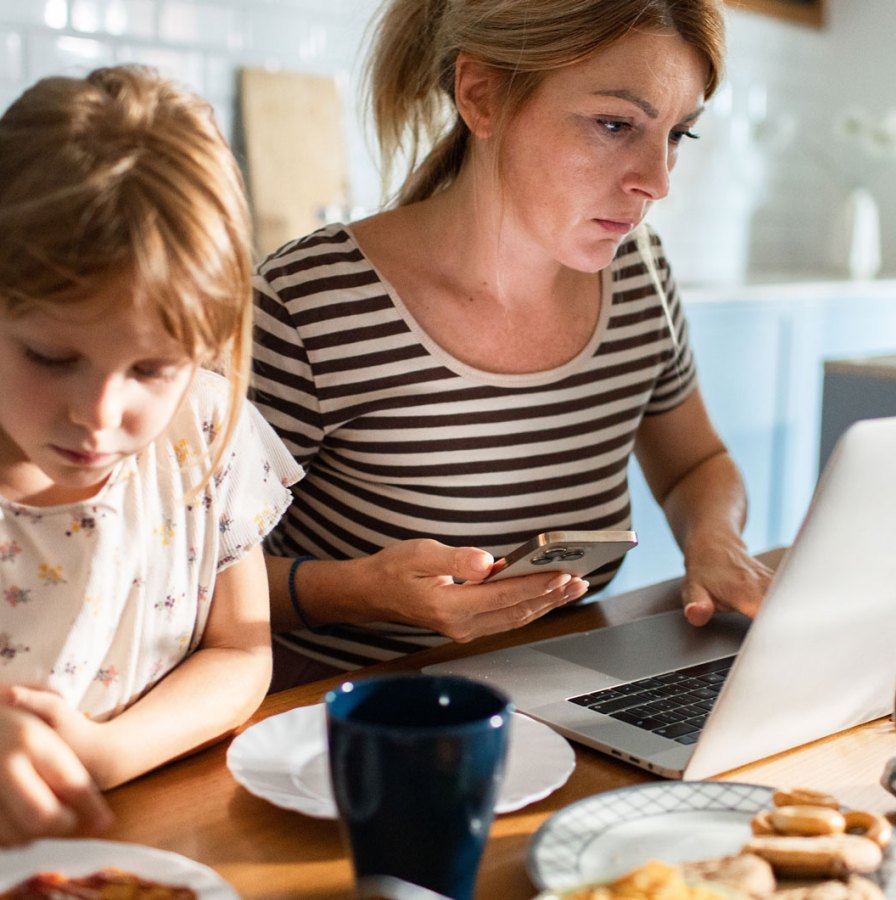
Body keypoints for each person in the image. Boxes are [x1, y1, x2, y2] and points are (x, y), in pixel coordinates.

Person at [251, 0, 774, 689]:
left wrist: (713, 540)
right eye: (614, 124)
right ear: (482, 96)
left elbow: (693, 465)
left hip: (569, 687)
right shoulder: (309, 301)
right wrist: (364, 591)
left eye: (678, 133)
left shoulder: (639, 273)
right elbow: (184, 578)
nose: (657, 181)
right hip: (351, 709)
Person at [0, 65, 302, 845]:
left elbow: (240, 652)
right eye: (50, 356)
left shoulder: (205, 427)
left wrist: (108, 753)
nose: (98, 415)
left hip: (143, 845)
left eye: (152, 369)